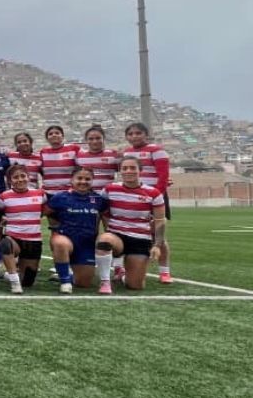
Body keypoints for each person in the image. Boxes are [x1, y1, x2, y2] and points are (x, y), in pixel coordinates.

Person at [96, 157, 166, 294]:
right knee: (105, 240)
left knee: (135, 285)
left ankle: (121, 276)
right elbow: (101, 212)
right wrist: (105, 231)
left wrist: (157, 245)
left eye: (133, 168)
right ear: (120, 171)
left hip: (140, 239)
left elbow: (160, 220)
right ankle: (105, 282)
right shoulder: (110, 189)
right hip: (117, 237)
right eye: (125, 168)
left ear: (140, 170)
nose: (129, 171)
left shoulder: (153, 193)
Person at [123, 122, 173, 283]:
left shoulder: (157, 151)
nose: (134, 136)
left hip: (154, 198)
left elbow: (163, 177)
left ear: (146, 134)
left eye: (138, 133)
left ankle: (164, 271)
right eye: (130, 134)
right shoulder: (127, 152)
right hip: (133, 198)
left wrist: (154, 196)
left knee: (158, 234)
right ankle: (125, 269)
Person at [47, 168, 108, 293]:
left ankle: (65, 273)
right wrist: (55, 229)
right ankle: (65, 281)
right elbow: (47, 212)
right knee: (60, 243)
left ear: (92, 181)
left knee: (83, 283)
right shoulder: (60, 197)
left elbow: (105, 217)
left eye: (87, 179)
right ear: (72, 180)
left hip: (87, 243)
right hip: (66, 239)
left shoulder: (98, 200)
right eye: (79, 178)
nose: (83, 182)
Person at [0, 164, 48, 293]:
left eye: (22, 176)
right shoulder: (3, 197)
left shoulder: (40, 194)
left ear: (28, 177)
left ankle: (7, 274)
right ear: (9, 180)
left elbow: (45, 212)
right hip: (14, 238)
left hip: (33, 240)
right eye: (15, 177)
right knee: (5, 244)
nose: (20, 180)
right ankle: (14, 282)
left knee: (28, 282)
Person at [76, 125, 120, 193]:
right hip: (86, 196)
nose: (95, 141)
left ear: (103, 138)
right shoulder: (79, 156)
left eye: (98, 138)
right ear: (86, 140)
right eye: (91, 139)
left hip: (107, 196)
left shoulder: (113, 155)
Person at [39, 125, 81, 196]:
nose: (54, 135)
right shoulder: (42, 152)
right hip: (48, 193)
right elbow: (40, 170)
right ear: (47, 138)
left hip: (69, 193)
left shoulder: (74, 149)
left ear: (62, 136)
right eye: (50, 134)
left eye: (57, 133)